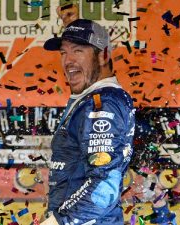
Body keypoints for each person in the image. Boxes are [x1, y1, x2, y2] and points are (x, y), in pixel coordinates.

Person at [40, 18, 135, 225]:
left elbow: (103, 184)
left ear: (104, 55)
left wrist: (57, 222)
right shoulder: (91, 99)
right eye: (64, 52)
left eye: (78, 51)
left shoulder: (102, 103)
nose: (68, 60)